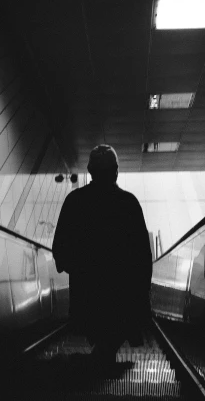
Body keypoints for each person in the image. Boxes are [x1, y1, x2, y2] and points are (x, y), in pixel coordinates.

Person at [52, 145, 152, 363]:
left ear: (90, 171)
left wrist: (78, 267)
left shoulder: (75, 201)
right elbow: (143, 256)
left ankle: (97, 364)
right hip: (121, 293)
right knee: (112, 334)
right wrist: (143, 295)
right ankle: (100, 364)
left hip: (86, 291)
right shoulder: (129, 204)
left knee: (98, 332)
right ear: (116, 171)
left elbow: (60, 248)